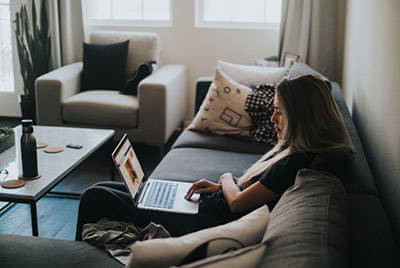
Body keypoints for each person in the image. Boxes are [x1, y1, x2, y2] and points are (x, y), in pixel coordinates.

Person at [75, 74, 354, 241]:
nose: (273, 118)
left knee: (93, 196)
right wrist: (220, 187)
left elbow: (237, 204)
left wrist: (225, 179)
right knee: (119, 189)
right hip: (205, 208)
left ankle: (77, 256)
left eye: (279, 112)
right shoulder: (300, 153)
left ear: (301, 117)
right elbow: (252, 194)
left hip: (203, 222)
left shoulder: (296, 162)